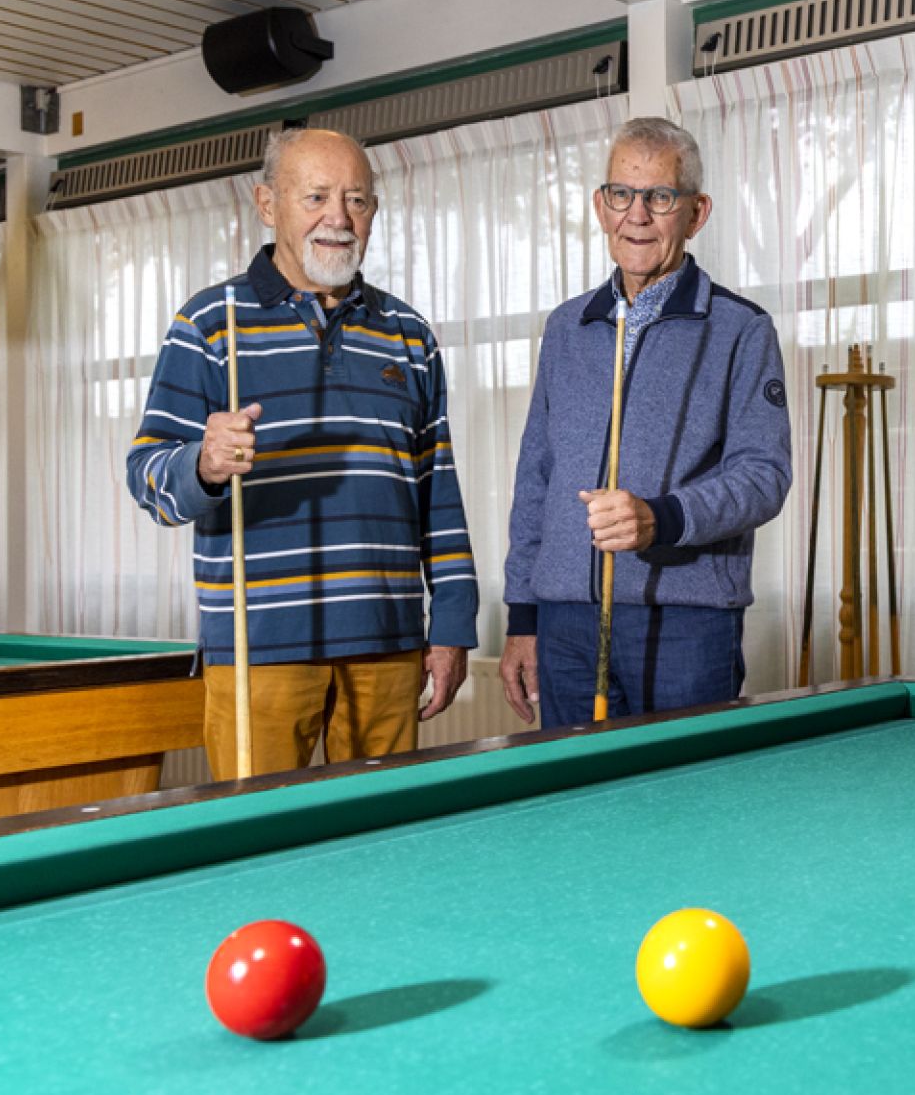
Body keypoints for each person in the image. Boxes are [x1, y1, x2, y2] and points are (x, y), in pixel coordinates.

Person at [126, 127, 478, 778]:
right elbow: (147, 476)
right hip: (260, 647)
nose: (337, 218)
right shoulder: (209, 323)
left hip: (388, 641)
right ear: (268, 205)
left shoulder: (409, 334)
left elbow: (439, 494)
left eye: (357, 200)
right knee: (259, 841)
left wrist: (453, 621)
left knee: (382, 838)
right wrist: (202, 464)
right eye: (315, 196)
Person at [499, 117, 792, 728]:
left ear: (696, 212)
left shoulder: (741, 329)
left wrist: (662, 517)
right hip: (566, 623)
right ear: (601, 208)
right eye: (622, 195)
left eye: (660, 197)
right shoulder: (566, 327)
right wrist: (524, 615)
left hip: (687, 622)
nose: (638, 215)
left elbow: (764, 474)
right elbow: (537, 475)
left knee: (686, 809)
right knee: (576, 805)